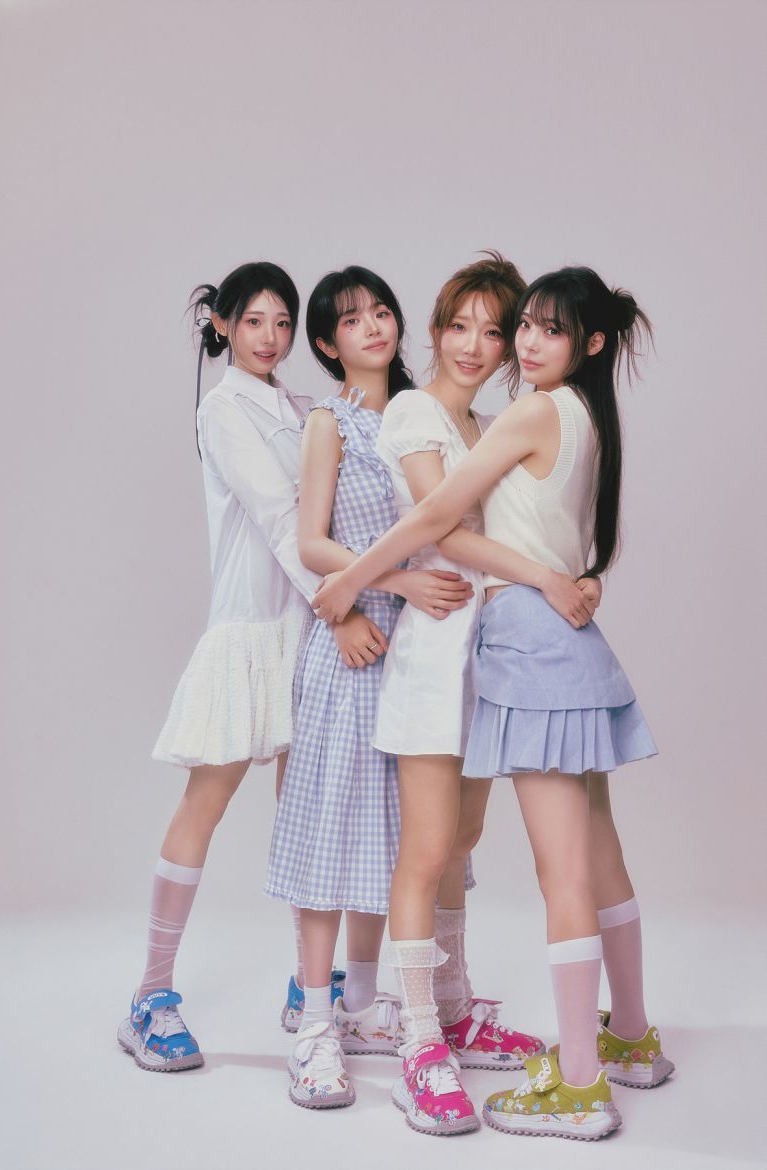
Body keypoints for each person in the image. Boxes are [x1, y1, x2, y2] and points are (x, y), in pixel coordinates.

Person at [312, 266, 672, 1140]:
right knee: (438, 849)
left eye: (500, 329)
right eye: (462, 327)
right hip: (449, 654)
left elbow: (497, 520)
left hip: (500, 656)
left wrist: (558, 577)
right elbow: (439, 518)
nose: (484, 345)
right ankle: (423, 1043)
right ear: (436, 330)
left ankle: (468, 1013)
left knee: (469, 847)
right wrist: (363, 580)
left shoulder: (503, 417)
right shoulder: (421, 412)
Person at [264, 266, 474, 1108]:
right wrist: (390, 584)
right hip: (351, 644)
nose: (375, 327)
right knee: (329, 833)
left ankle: (361, 1005)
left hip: (414, 651)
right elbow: (311, 542)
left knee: (392, 839)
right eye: (353, 320)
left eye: (382, 311)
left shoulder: (421, 414)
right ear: (327, 342)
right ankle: (314, 1026)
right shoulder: (331, 421)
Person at [118, 262, 326, 1072]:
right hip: (251, 631)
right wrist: (342, 601)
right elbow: (280, 516)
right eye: (254, 321)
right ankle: (150, 994)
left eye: (283, 322)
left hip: (308, 630)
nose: (270, 337)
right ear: (224, 326)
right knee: (204, 804)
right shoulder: (222, 408)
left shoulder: (303, 408)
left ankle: (311, 990)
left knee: (305, 814)